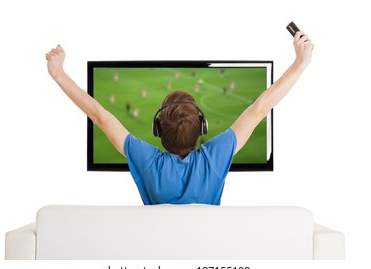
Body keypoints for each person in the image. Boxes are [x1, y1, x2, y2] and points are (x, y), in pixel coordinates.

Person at [46, 31, 314, 205]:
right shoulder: (215, 157)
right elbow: (260, 108)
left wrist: (58, 73)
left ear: (157, 130)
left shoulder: (148, 162)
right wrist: (300, 63)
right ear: (202, 127)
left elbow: (99, 116)